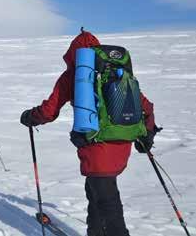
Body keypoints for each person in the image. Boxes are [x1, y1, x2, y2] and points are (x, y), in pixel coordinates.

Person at [19, 30, 157, 236]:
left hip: (96, 146)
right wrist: (148, 133)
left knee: (108, 203)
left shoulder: (75, 75)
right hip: (122, 143)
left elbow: (49, 110)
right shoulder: (116, 71)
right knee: (96, 193)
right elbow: (146, 106)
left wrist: (31, 116)